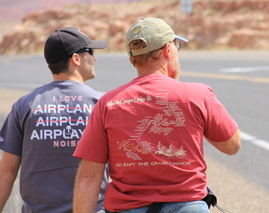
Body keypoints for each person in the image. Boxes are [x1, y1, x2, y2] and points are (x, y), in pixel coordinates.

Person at [73, 18, 241, 213]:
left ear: (132, 58)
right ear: (168, 50)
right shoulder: (197, 94)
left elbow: (88, 178)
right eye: (176, 46)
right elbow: (232, 145)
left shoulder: (108, 103)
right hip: (188, 206)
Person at [0, 27, 109, 213]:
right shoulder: (102, 104)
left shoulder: (25, 105)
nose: (94, 58)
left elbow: (6, 170)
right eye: (91, 52)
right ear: (76, 59)